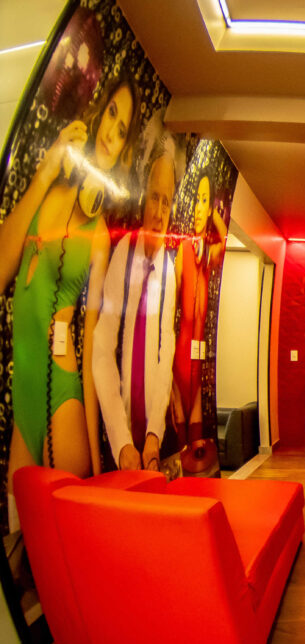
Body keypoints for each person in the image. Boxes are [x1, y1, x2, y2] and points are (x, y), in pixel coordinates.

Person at [0, 77, 140, 488]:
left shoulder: (99, 238)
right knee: (20, 519)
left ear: (123, 149)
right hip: (24, 390)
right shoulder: (45, 191)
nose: (110, 134)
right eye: (111, 114)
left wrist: (98, 461)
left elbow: (93, 345)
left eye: (122, 131)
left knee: (61, 517)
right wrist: (46, 171)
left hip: (59, 391)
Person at [93, 133, 180, 472]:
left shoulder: (168, 270)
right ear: (143, 199)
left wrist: (154, 434)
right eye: (154, 198)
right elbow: (103, 346)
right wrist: (122, 442)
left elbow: (165, 352)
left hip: (154, 437)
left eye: (166, 202)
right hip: (120, 436)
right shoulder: (123, 255)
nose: (159, 213)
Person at [171, 168, 227, 474]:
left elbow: (224, 238)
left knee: (197, 445)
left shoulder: (207, 258)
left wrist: (213, 211)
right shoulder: (183, 250)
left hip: (198, 357)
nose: (198, 207)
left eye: (204, 200)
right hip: (180, 355)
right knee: (181, 438)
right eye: (197, 199)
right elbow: (171, 310)